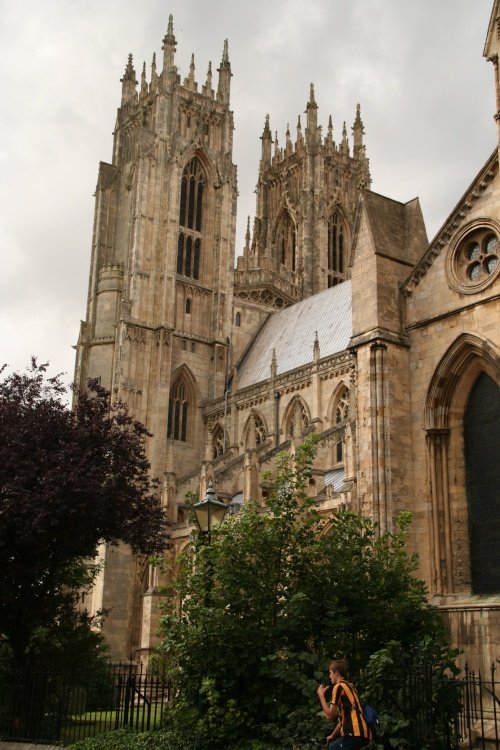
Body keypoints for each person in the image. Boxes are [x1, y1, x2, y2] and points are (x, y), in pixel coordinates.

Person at [317, 658, 373, 750]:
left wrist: (321, 695)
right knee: (333, 746)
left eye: (330, 673)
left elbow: (329, 715)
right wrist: (332, 735)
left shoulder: (338, 687)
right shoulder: (350, 686)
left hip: (354, 732)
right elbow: (345, 717)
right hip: (363, 732)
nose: (330, 676)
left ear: (336, 673)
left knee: (334, 747)